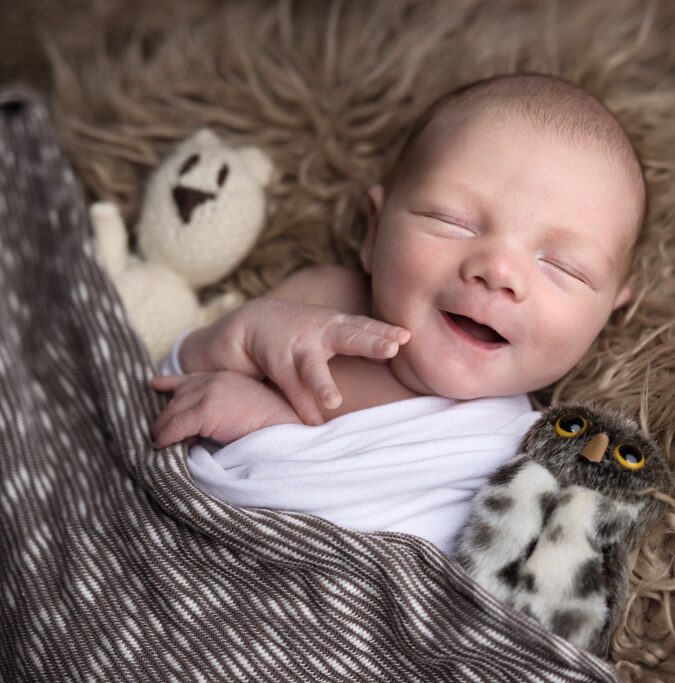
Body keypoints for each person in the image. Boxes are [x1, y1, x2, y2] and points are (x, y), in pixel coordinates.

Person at [149, 72, 647, 557]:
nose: (499, 271)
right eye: (451, 221)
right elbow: (168, 394)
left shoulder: (520, 454)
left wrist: (263, 424)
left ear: (606, 314)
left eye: (564, 268)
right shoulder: (311, 301)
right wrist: (231, 338)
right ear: (373, 231)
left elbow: (415, 572)